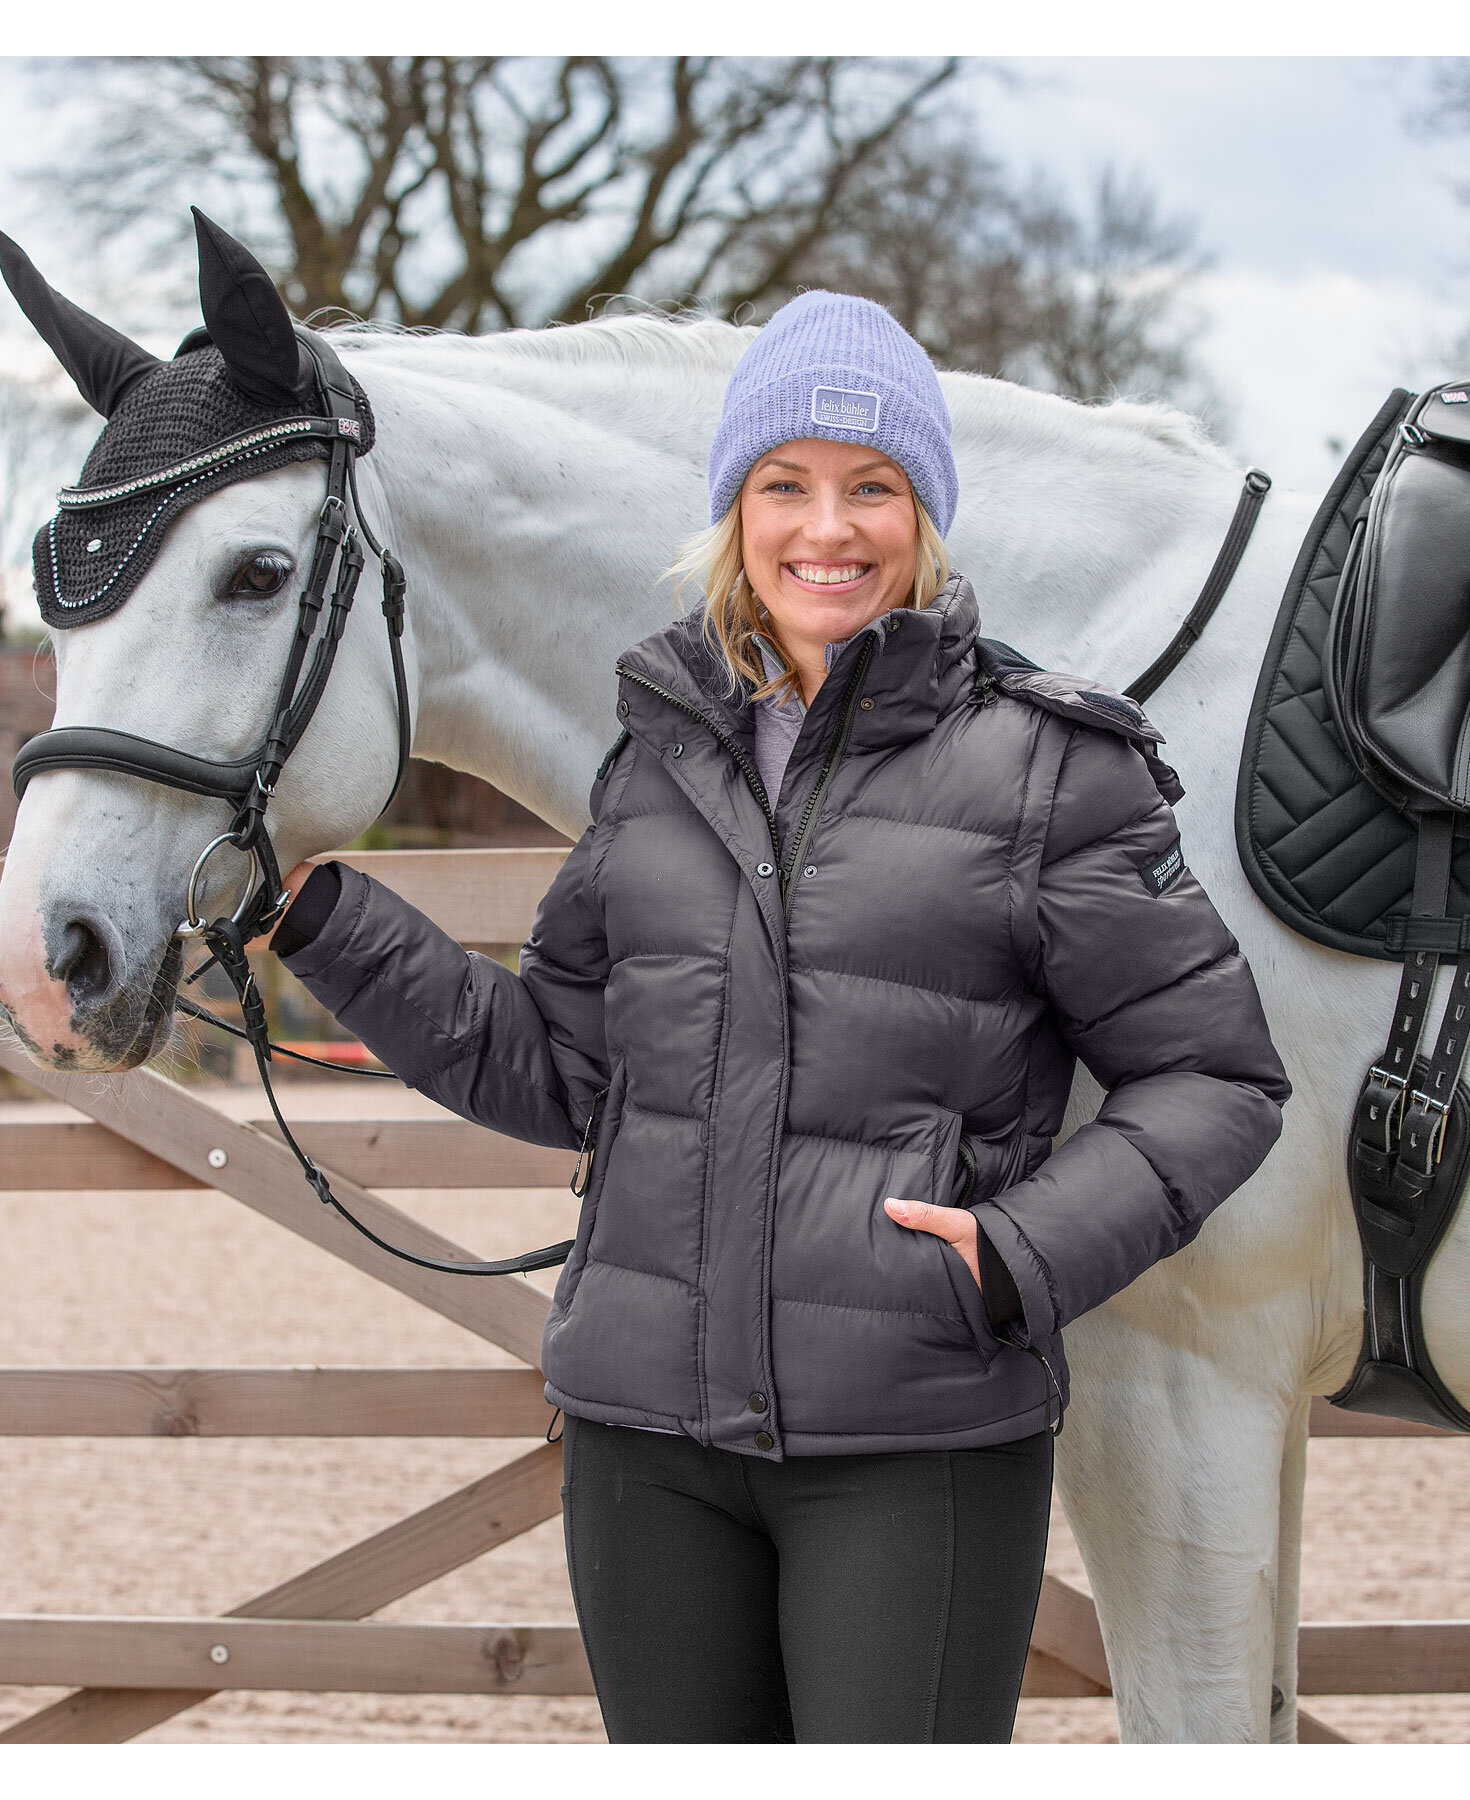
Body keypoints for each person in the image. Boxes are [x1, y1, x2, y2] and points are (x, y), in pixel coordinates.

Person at [267, 291, 1291, 1743]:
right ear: (733, 512)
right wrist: (325, 920)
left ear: (925, 517)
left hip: (914, 1442)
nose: (829, 527)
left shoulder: (1055, 770)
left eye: (872, 487)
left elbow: (1213, 1077)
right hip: (642, 1448)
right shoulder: (654, 760)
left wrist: (1015, 1255)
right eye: (785, 484)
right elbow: (562, 1073)